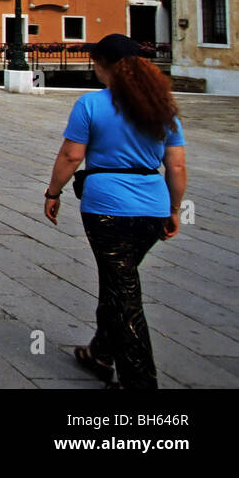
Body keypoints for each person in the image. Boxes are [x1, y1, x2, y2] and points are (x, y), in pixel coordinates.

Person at [43, 34, 187, 390]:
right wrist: (173, 209)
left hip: (107, 209)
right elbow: (177, 167)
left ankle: (138, 381)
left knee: (124, 293)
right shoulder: (162, 106)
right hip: (152, 208)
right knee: (118, 283)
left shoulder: (91, 104)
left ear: (103, 65)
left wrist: (53, 192)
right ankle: (100, 353)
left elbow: (71, 156)